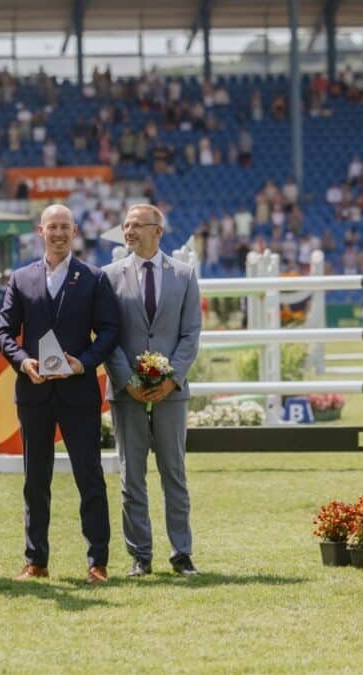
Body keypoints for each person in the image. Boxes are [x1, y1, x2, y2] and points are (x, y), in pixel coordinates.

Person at [0, 204, 120, 585]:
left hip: (78, 392)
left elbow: (110, 330)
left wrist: (84, 363)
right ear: (41, 231)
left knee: (90, 478)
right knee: (35, 480)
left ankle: (97, 563)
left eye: (65, 226)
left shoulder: (94, 278)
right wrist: (23, 362)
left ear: (75, 231)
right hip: (33, 392)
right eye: (53, 227)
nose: (59, 233)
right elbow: (3, 333)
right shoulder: (20, 279)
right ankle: (36, 561)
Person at [102, 203, 202, 578]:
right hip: (126, 393)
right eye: (125, 225)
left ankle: (182, 554)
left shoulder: (185, 275)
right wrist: (127, 380)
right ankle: (140, 556)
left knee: (174, 473)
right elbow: (107, 335)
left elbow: (191, 333)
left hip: (171, 393)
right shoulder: (108, 277)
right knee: (132, 477)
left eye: (136, 225)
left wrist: (171, 379)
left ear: (157, 230)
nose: (128, 231)